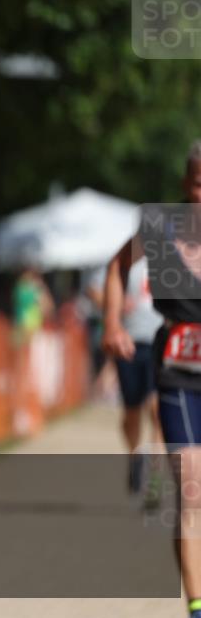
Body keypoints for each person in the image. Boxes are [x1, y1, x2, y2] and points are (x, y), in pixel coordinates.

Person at [102, 140, 201, 618]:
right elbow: (117, 266)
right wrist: (112, 324)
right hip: (178, 377)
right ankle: (198, 606)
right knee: (191, 490)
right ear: (187, 184)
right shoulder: (162, 227)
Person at [88, 259, 164, 499]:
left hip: (161, 343)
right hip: (128, 344)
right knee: (132, 411)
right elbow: (94, 288)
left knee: (157, 409)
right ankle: (134, 456)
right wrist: (114, 308)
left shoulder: (176, 252)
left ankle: (156, 477)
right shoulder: (132, 252)